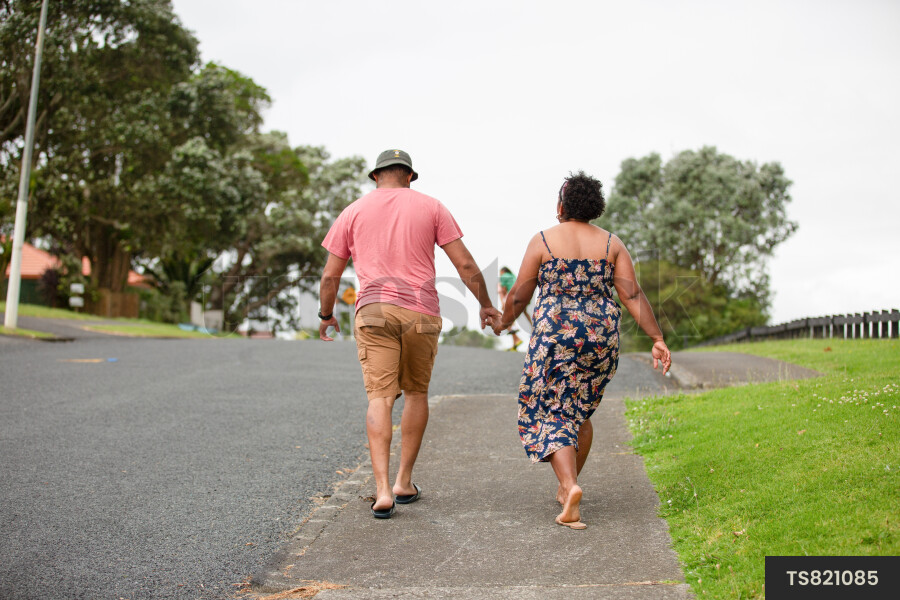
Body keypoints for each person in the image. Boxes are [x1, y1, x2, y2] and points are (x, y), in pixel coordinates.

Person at [318, 149, 500, 519]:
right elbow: (463, 262)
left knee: (380, 398)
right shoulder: (432, 207)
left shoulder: (352, 212)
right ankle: (403, 482)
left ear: (375, 177)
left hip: (373, 311)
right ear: (410, 176)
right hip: (421, 311)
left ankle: (382, 491)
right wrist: (485, 303)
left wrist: (325, 314)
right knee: (416, 392)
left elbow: (330, 276)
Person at [493, 171, 671, 529]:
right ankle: (565, 489)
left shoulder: (543, 240)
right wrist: (657, 338)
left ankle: (570, 485)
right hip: (600, 338)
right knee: (579, 412)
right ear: (595, 207)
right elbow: (632, 295)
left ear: (562, 205)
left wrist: (502, 321)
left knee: (552, 411)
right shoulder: (611, 244)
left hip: (555, 337)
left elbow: (521, 295)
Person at [497, 266, 529, 351]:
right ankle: (516, 342)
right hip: (523, 295)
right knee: (525, 313)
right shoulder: (513, 276)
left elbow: (503, 290)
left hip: (512, 296)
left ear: (502, 271)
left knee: (505, 318)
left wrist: (503, 303)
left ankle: (516, 337)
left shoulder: (503, 277)